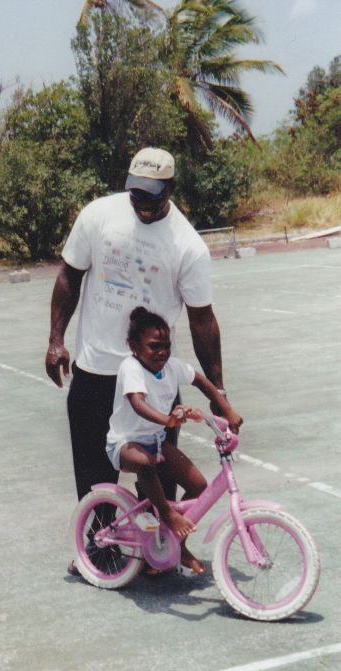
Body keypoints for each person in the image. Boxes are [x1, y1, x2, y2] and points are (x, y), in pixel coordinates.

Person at [45, 147, 237, 571]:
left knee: (159, 471)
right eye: (136, 194)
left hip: (152, 380)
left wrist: (217, 390)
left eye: (152, 195)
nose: (143, 203)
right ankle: (99, 547)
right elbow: (68, 276)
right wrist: (56, 339)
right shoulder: (98, 215)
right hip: (96, 371)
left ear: (170, 188)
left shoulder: (187, 245)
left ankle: (157, 551)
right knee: (94, 470)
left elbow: (203, 320)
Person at [106, 306, 242, 574]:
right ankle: (168, 515)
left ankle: (175, 545)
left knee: (198, 485)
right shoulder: (130, 367)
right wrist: (166, 420)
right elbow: (137, 403)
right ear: (133, 347)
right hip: (124, 443)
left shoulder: (172, 367)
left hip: (154, 441)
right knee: (145, 463)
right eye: (154, 346)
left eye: (166, 345)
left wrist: (227, 410)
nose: (162, 352)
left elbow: (202, 382)